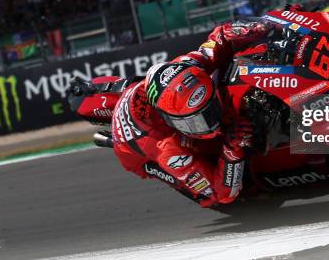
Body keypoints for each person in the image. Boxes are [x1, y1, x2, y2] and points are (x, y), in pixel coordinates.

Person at [67, 20, 273, 207]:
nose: (212, 120)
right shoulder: (167, 150)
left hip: (137, 94)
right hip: (140, 152)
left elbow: (219, 36)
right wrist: (231, 149)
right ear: (171, 120)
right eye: (198, 120)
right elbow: (222, 193)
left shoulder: (188, 66)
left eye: (210, 109)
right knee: (212, 195)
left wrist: (246, 29)